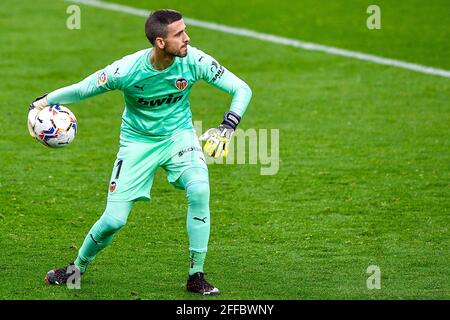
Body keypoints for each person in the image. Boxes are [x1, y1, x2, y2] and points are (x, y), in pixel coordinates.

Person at [27, 9, 251, 296]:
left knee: (199, 189)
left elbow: (241, 88)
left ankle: (196, 275)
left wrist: (228, 126)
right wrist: (43, 102)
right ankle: (76, 268)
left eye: (185, 31)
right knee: (114, 220)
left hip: (178, 136)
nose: (187, 38)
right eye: (179, 34)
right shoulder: (127, 70)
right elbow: (84, 89)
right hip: (137, 143)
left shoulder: (194, 60)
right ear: (160, 42)